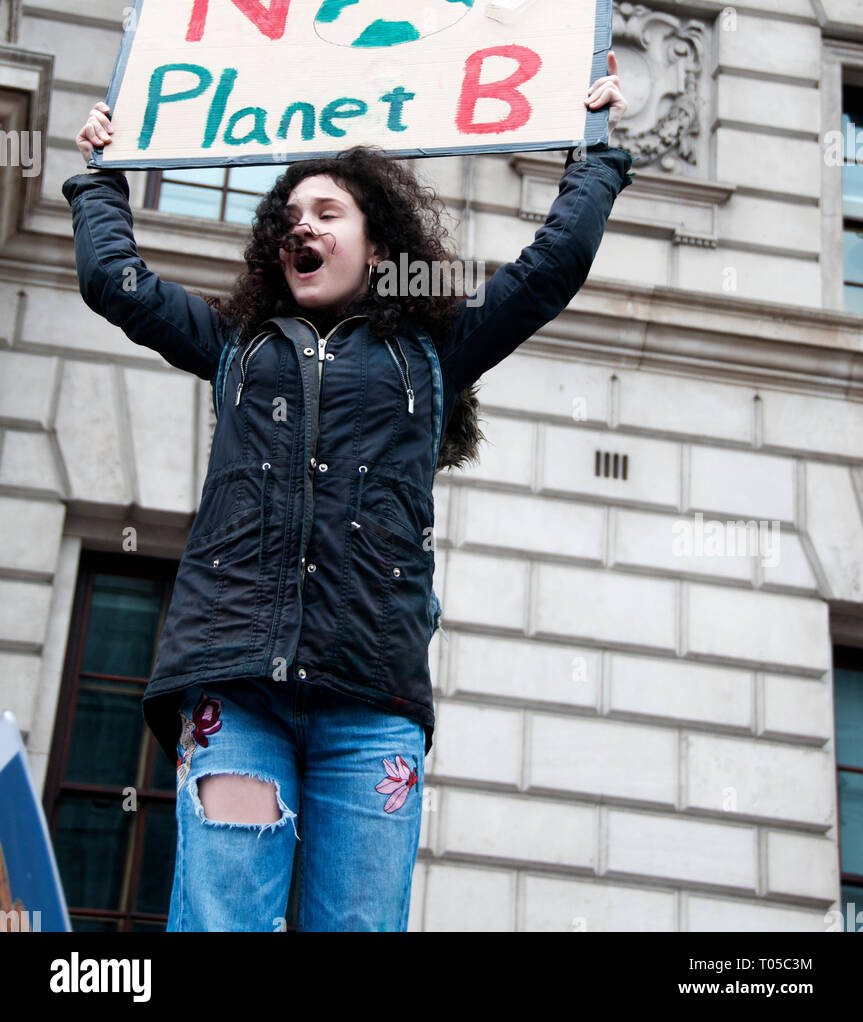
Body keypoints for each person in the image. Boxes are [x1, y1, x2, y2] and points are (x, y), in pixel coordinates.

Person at [63, 54, 632, 932]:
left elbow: (550, 267)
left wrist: (591, 154)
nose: (305, 226)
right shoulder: (233, 346)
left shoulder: (434, 354)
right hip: (236, 684)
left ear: (379, 243)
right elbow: (115, 281)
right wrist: (101, 177)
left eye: (329, 213)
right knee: (222, 922)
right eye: (290, 217)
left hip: (370, 703)